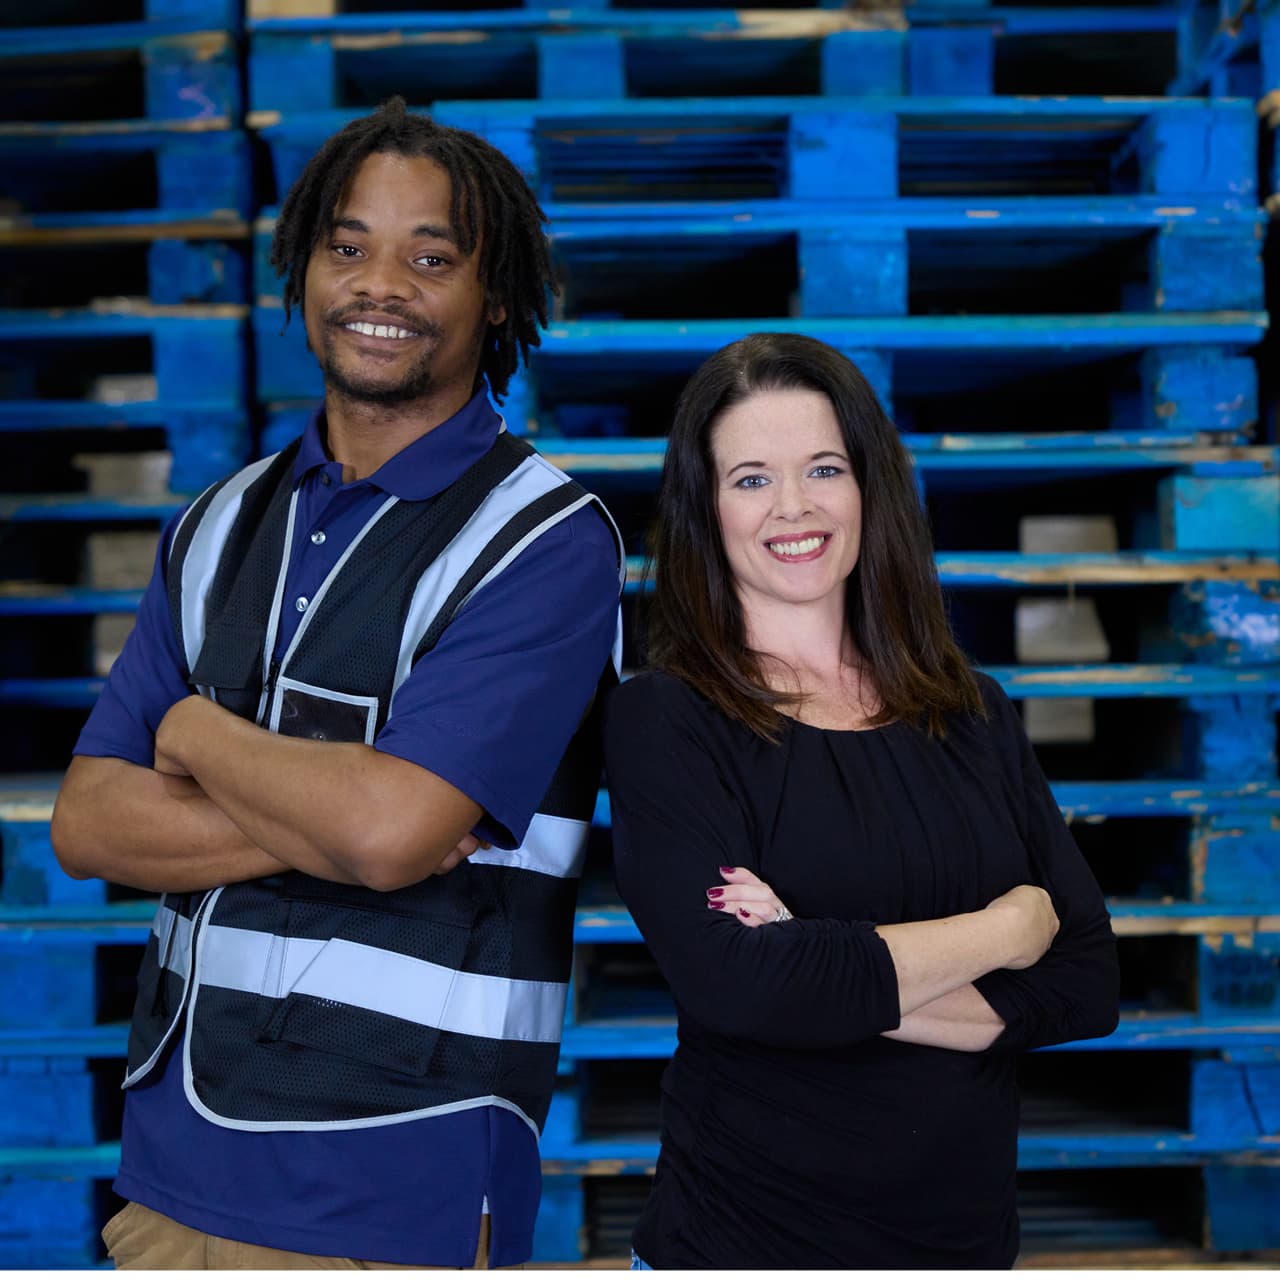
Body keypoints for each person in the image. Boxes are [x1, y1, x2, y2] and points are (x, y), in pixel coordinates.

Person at [51, 97, 623, 1270]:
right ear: (303, 268)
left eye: (431, 257)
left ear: (495, 296)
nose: (379, 285)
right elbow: (88, 821)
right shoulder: (215, 524)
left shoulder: (546, 540)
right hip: (169, 1176)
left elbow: (390, 830)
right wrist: (355, 812)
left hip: (398, 1182)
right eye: (347, 246)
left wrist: (193, 733)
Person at [603, 332, 1120, 1270]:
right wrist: (1007, 929)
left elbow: (1086, 984)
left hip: (964, 1252)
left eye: (824, 468)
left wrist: (812, 957)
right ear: (706, 509)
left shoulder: (970, 712)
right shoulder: (667, 720)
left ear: (868, 486)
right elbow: (735, 986)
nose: (793, 507)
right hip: (742, 1249)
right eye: (751, 478)